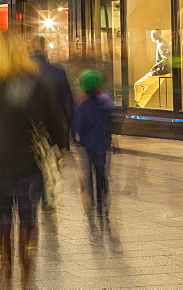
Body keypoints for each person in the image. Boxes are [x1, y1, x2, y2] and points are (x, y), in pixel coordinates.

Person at [0, 30, 68, 288]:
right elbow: (52, 119)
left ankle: (5, 263)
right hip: (27, 160)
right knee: (29, 214)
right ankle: (26, 268)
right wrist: (61, 145)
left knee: (3, 211)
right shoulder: (32, 80)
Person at [71, 70, 115, 245]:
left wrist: (75, 137)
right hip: (103, 144)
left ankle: (91, 200)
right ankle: (102, 202)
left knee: (89, 173)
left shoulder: (84, 105)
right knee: (102, 172)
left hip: (88, 145)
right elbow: (111, 120)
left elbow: (77, 125)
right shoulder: (106, 102)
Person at [30, 36, 73, 210]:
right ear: (46, 49)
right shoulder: (58, 71)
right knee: (51, 162)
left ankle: (35, 193)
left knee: (35, 162)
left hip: (31, 127)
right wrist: (67, 130)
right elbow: (67, 102)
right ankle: (47, 197)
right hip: (53, 127)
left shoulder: (24, 72)